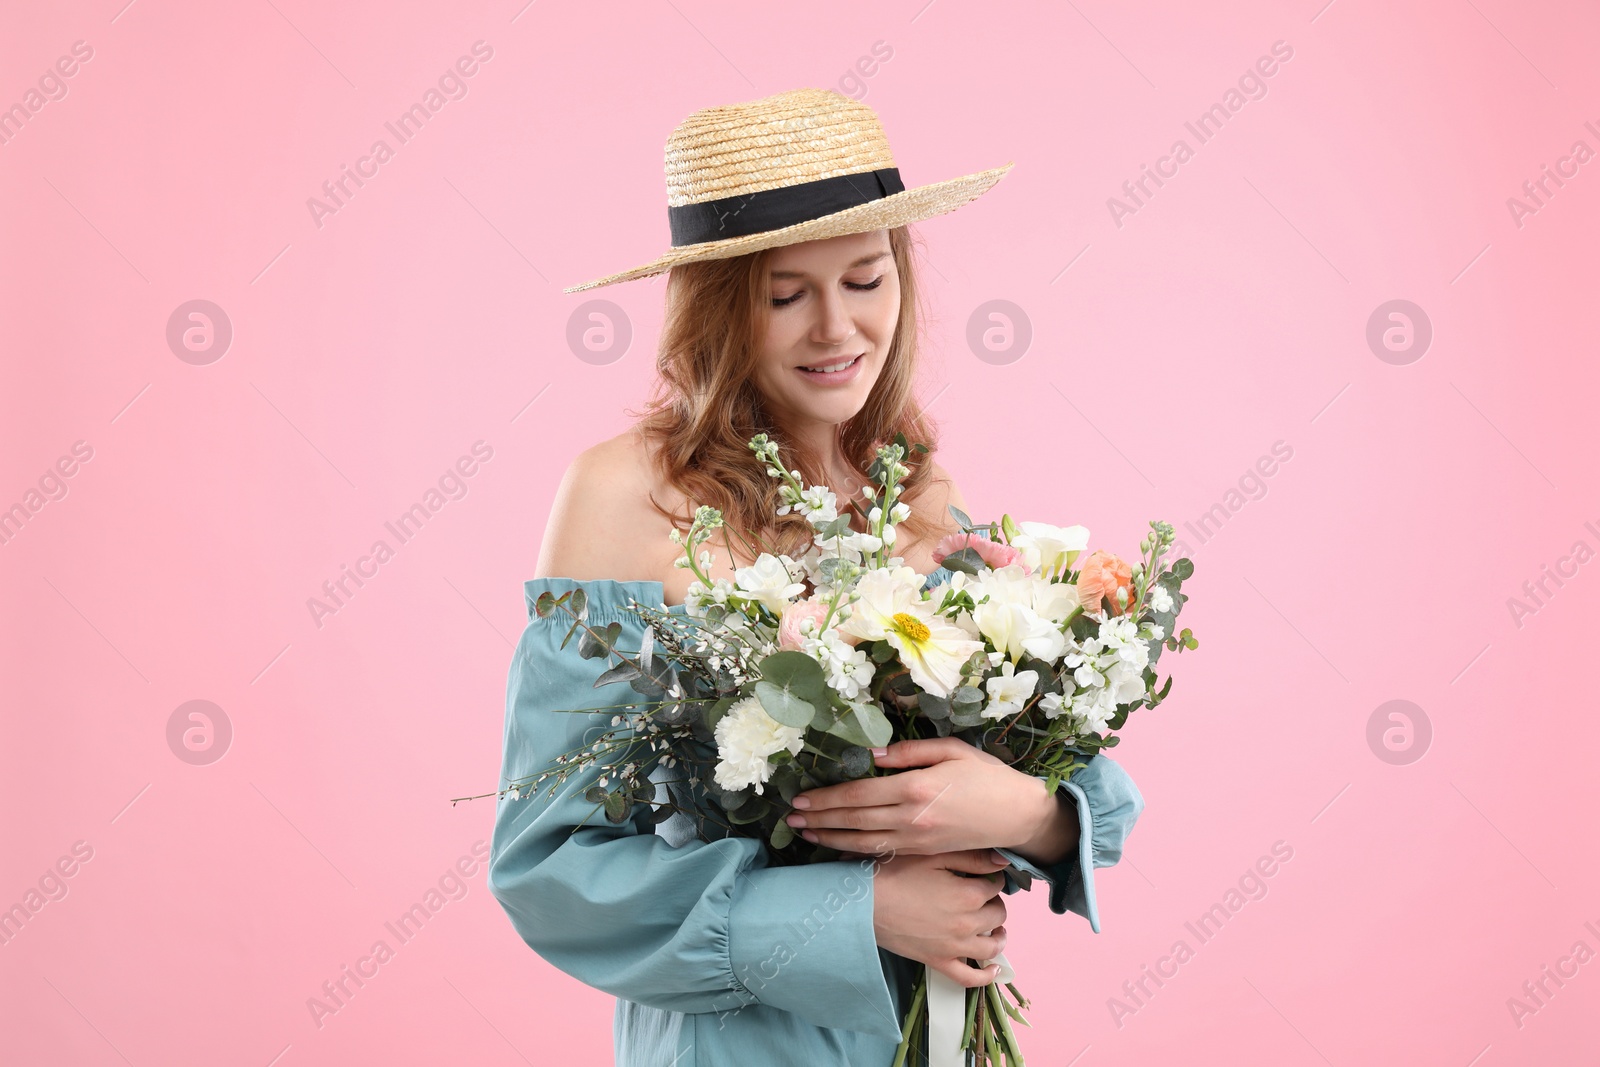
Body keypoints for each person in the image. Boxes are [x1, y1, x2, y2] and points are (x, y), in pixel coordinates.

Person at [488, 87, 1145, 1066]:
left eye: (866, 279)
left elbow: (1063, 773)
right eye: (785, 294)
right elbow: (548, 870)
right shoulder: (623, 493)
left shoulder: (919, 490)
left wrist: (1027, 813)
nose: (837, 329)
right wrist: (857, 911)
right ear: (716, 308)